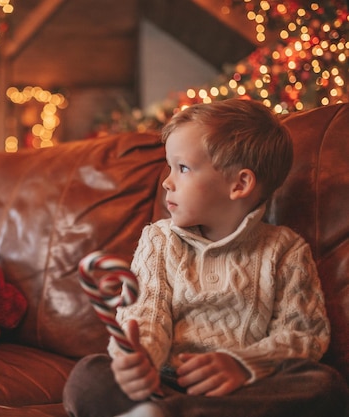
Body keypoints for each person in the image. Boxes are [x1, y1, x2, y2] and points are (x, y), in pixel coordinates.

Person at [62, 99, 349, 417]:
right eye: (169, 167)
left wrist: (243, 365)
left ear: (239, 184)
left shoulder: (286, 250)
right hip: (164, 381)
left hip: (243, 391)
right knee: (89, 375)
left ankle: (174, 413)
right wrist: (140, 358)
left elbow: (303, 336)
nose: (167, 181)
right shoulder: (159, 240)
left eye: (182, 168)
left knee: (325, 385)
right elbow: (145, 314)